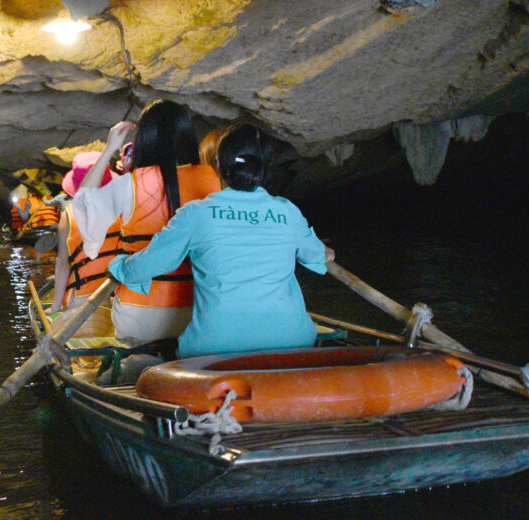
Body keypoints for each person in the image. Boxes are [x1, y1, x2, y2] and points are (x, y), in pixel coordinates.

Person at [107, 124, 334, 357]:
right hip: (291, 341)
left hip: (216, 346)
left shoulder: (195, 213)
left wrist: (118, 266)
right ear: (264, 167)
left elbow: (147, 266)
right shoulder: (288, 212)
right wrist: (326, 252)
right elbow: (317, 255)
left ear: (219, 166)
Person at [71, 99, 221, 344]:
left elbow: (83, 202)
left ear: (145, 139)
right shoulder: (214, 181)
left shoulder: (129, 183)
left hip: (139, 321)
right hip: (202, 316)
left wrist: (110, 149)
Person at [51, 151, 118, 312]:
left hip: (83, 302)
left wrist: (55, 308)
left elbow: (62, 265)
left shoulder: (69, 215)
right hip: (119, 298)